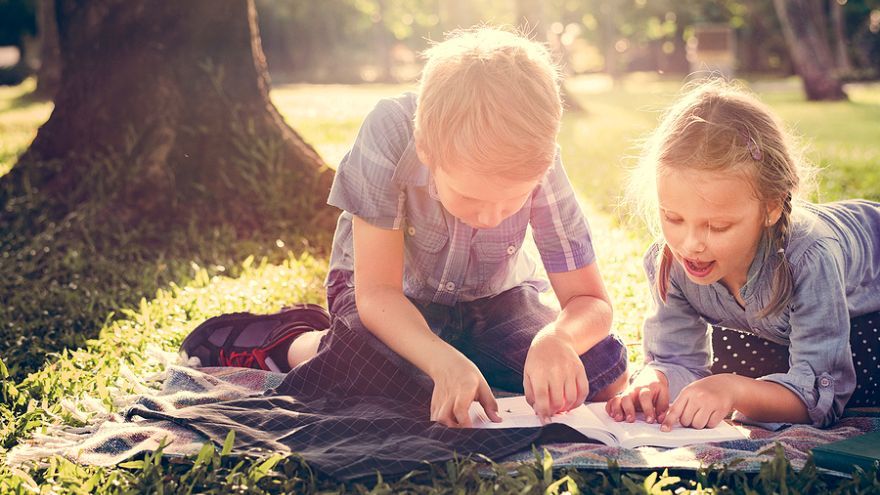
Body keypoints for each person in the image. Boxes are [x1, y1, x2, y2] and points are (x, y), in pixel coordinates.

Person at [181, 27, 628, 428]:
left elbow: (590, 301)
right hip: (386, 296)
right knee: (382, 382)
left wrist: (557, 338)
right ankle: (294, 342)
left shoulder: (536, 156)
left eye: (512, 201)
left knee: (602, 371)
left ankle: (462, 358)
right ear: (426, 152)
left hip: (492, 301)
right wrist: (437, 359)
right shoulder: (390, 132)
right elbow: (377, 293)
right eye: (471, 197)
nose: (493, 216)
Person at [606, 79, 880, 432]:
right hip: (778, 326)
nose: (690, 244)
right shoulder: (670, 262)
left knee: (756, 376)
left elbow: (823, 398)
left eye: (718, 226)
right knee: (731, 366)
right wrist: (654, 380)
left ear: (771, 208)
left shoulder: (810, 256)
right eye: (673, 218)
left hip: (866, 311)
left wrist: (733, 389)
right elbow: (676, 359)